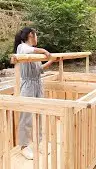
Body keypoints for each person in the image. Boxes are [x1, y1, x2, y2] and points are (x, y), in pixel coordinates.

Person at [14, 27, 56, 160]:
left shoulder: (35, 53)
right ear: (31, 35)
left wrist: (50, 61)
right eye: (36, 35)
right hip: (27, 85)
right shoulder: (22, 47)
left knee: (39, 114)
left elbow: (38, 70)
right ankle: (24, 146)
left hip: (38, 83)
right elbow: (27, 51)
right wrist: (44, 51)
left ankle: (40, 142)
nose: (37, 37)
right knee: (26, 116)